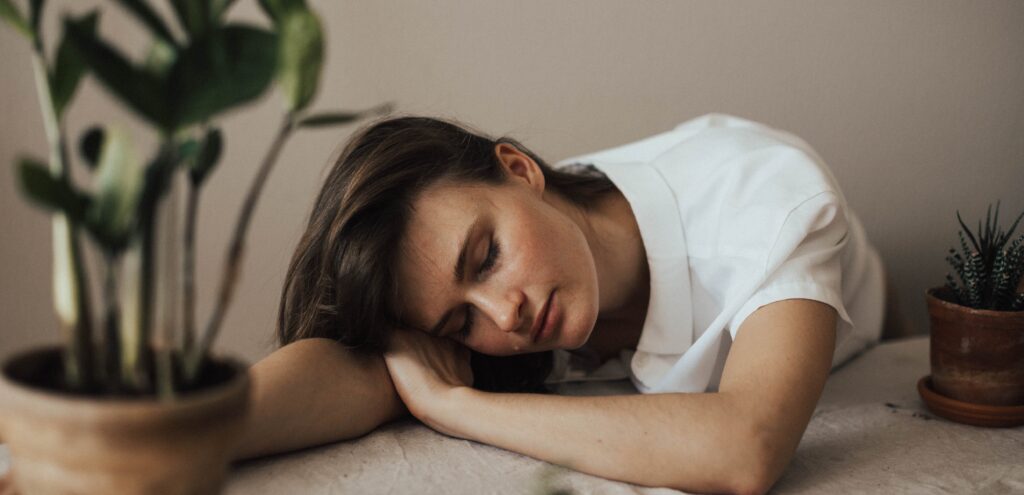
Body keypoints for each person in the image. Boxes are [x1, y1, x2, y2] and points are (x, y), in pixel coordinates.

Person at [235, 113, 886, 494]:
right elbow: (356, 366)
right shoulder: (499, 312)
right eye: (460, 320)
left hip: (876, 319)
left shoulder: (758, 192)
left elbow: (747, 446)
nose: (503, 316)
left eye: (486, 256)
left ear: (519, 171)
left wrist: (458, 406)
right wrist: (190, 429)